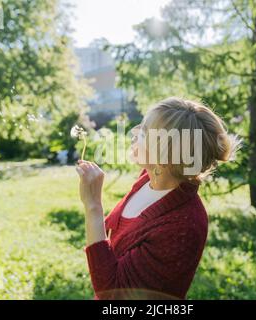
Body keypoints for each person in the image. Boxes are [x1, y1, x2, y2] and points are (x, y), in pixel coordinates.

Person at [76, 97, 240, 299]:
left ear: (164, 155)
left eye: (144, 131)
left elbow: (114, 294)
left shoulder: (183, 227)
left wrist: (93, 206)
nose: (134, 131)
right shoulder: (149, 178)